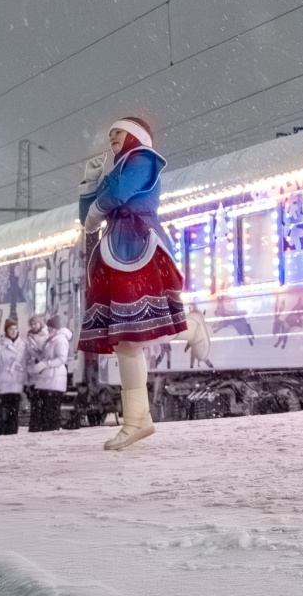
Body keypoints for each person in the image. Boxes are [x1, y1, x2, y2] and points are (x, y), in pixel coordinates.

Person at [77, 116, 188, 451]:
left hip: (138, 246)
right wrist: (89, 185)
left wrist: (98, 198)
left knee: (129, 338)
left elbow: (117, 196)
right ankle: (137, 420)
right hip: (121, 248)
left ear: (134, 136)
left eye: (117, 132)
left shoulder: (142, 160)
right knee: (127, 342)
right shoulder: (120, 169)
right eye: (109, 133)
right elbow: (88, 219)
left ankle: (137, 420)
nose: (111, 137)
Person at [27, 314, 71, 432]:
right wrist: (35, 354)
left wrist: (47, 363)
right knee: (47, 408)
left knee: (51, 409)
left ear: (56, 328)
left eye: (51, 327)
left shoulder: (60, 340)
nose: (48, 329)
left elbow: (61, 358)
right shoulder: (51, 339)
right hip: (48, 379)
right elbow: (44, 355)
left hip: (55, 379)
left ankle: (52, 430)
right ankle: (47, 430)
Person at [0, 317, 27, 435]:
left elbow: (25, 365)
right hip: (2, 384)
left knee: (13, 412)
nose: (14, 331)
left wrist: (26, 382)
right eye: (11, 329)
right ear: (6, 331)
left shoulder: (23, 346)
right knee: (0, 413)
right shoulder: (0, 346)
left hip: (16, 384)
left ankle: (12, 434)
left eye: (16, 329)